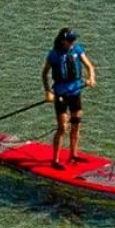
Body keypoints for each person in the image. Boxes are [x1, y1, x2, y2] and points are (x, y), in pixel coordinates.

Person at [41, 27, 96, 167]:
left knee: (76, 123)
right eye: (69, 40)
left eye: (73, 40)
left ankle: (74, 154)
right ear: (62, 40)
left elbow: (90, 67)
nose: (72, 43)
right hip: (60, 94)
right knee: (62, 128)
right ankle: (55, 160)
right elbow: (44, 74)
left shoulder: (77, 50)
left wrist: (91, 78)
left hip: (75, 92)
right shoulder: (53, 55)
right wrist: (48, 91)